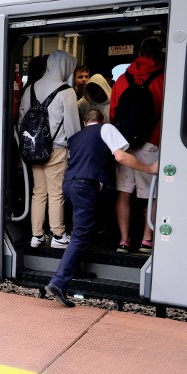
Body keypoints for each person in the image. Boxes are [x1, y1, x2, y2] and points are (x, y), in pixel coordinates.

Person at [45, 109, 158, 308]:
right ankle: (58, 282)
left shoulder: (76, 136)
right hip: (85, 186)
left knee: (81, 229)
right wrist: (149, 169)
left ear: (84, 121)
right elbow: (121, 156)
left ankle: (75, 269)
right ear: (103, 119)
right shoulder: (106, 128)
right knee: (81, 233)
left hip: (70, 185)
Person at [18, 50, 81, 249]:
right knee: (56, 193)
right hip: (56, 150)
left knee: (39, 192)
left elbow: (21, 120)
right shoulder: (66, 91)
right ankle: (58, 235)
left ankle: (36, 235)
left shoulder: (31, 89)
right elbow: (73, 127)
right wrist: (76, 150)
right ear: (65, 67)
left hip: (33, 149)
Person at [109, 36, 165, 254]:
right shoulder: (165, 78)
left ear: (139, 54)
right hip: (151, 142)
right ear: (159, 53)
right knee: (151, 194)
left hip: (124, 143)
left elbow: (113, 111)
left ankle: (124, 240)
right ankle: (146, 240)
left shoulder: (123, 79)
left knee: (123, 192)